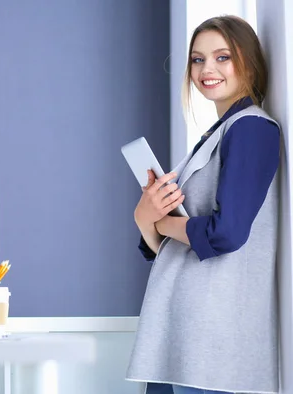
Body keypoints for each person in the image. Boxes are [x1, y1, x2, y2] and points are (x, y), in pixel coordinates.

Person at [125, 15, 281, 394]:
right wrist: (146, 218)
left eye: (222, 57)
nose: (207, 68)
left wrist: (159, 223)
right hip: (182, 332)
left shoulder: (252, 128)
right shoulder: (216, 133)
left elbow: (226, 234)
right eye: (197, 59)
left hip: (213, 340)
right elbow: (168, 247)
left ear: (249, 62)